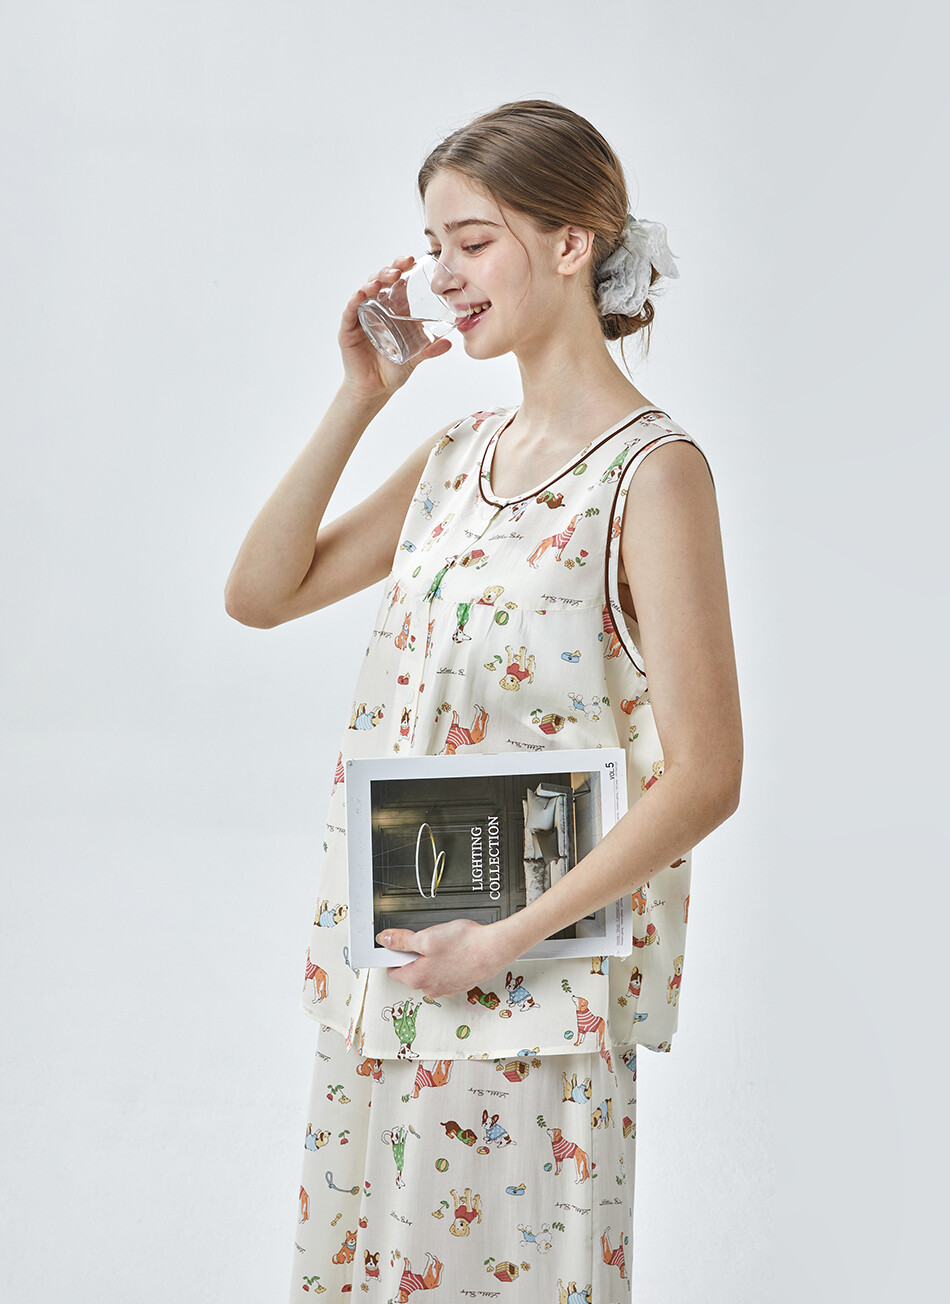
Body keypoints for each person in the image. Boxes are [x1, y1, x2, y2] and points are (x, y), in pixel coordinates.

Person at [225, 99, 742, 1303]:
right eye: (433, 245)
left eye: (470, 242)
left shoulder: (652, 473)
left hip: (533, 992)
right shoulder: (456, 455)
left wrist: (502, 941)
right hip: (399, 968)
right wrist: (362, 394)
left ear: (570, 244)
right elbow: (260, 593)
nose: (441, 274)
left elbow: (709, 773)